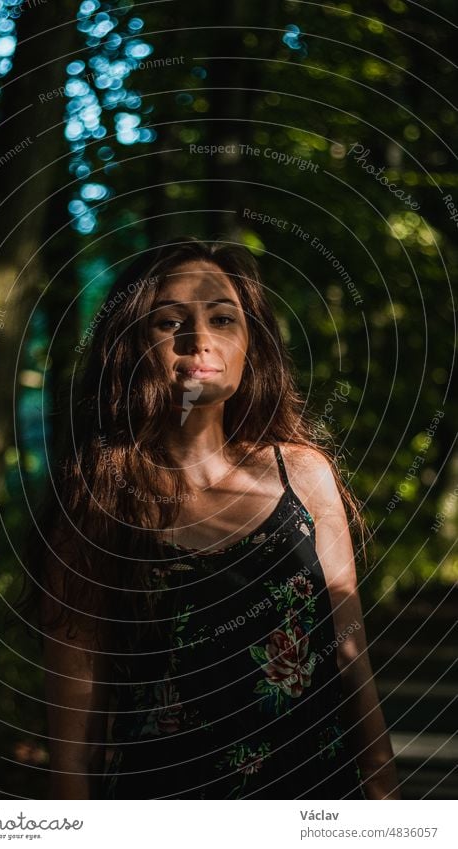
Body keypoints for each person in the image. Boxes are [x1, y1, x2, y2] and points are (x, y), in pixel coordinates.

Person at [20, 236, 400, 800]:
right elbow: (76, 724)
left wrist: (384, 794)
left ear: (252, 344)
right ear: (129, 347)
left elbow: (350, 657)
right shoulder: (97, 505)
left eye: (223, 319)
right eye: (169, 323)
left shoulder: (303, 475)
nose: (199, 340)